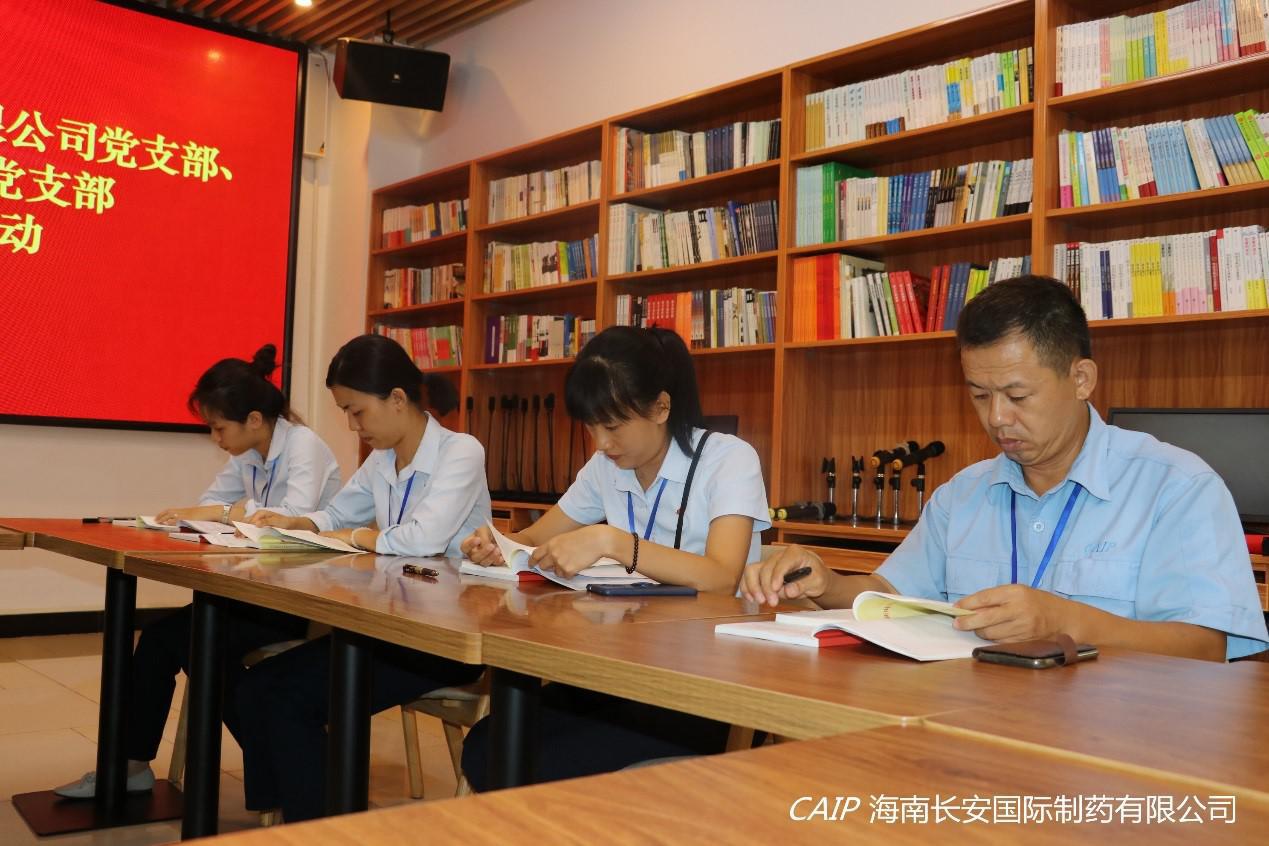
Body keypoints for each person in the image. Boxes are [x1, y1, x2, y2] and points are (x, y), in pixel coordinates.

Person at [743, 275, 1269, 662]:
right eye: (979, 395)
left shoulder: (1177, 487)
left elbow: (1207, 647)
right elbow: (894, 597)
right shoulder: (963, 493)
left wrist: (1066, 621)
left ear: (1081, 379)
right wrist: (825, 583)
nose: (996, 417)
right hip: (968, 726)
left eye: (1017, 396)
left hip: (1115, 746)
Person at [460, 325, 771, 790]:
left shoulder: (728, 459)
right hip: (619, 669)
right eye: (591, 427)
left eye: (612, 426)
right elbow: (533, 538)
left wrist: (614, 542)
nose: (601, 443)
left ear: (661, 407)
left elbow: (723, 577)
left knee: (534, 761)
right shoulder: (606, 467)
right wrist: (495, 545)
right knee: (490, 744)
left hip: (706, 684)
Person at [55, 344, 341, 798]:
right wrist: (218, 513)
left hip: (297, 597)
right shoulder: (249, 451)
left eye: (219, 427)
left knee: (187, 644)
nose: (215, 438)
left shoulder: (304, 447)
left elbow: (287, 520)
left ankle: (280, 764)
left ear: (253, 419)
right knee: (171, 642)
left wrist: (226, 512)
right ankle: (147, 765)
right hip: (253, 588)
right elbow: (211, 505)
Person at [234, 333, 491, 822]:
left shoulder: (461, 451)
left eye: (357, 411)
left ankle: (320, 824)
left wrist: (358, 536)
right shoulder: (382, 458)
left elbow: (422, 539)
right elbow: (336, 514)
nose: (353, 425)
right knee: (254, 688)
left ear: (397, 399)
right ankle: (292, 811)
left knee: (289, 700)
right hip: (386, 627)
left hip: (442, 640)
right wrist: (299, 523)